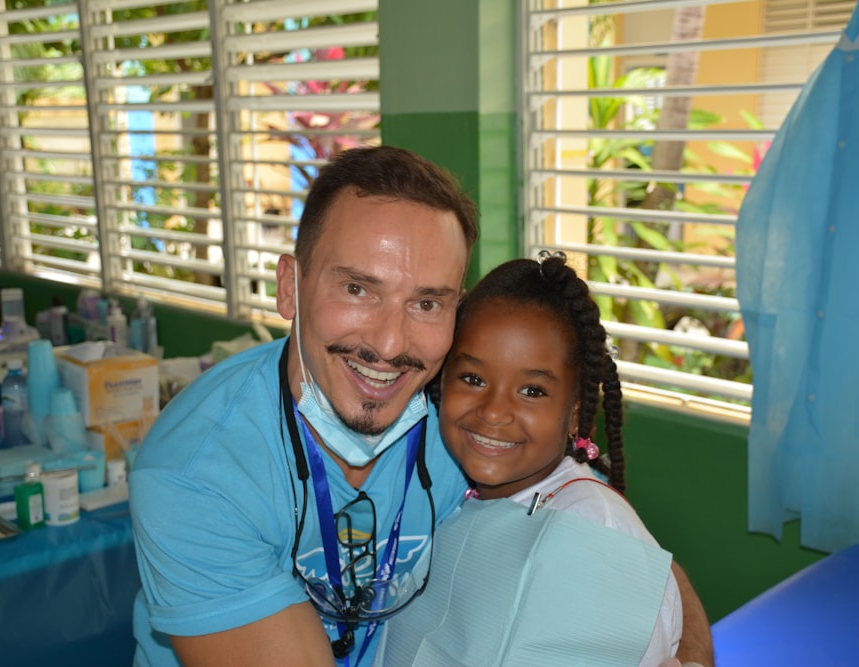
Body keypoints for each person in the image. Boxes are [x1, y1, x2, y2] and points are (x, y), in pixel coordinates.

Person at [129, 145, 714, 667]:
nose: (389, 345)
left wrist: (686, 656)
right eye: (358, 289)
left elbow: (609, 531)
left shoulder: (466, 415)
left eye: (427, 303)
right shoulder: (199, 475)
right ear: (290, 287)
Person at [375, 252, 695, 667]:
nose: (493, 412)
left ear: (575, 412)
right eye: (473, 379)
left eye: (532, 391)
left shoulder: (593, 530)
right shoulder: (450, 487)